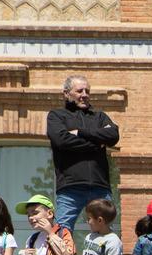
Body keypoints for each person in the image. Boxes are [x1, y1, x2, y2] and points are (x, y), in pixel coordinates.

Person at [44, 75, 119, 232]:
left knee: (105, 232)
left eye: (87, 91)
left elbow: (113, 136)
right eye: (79, 91)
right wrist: (97, 142)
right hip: (71, 187)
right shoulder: (57, 116)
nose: (84, 95)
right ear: (66, 93)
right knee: (62, 231)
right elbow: (62, 141)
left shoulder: (100, 116)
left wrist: (80, 132)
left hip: (100, 186)